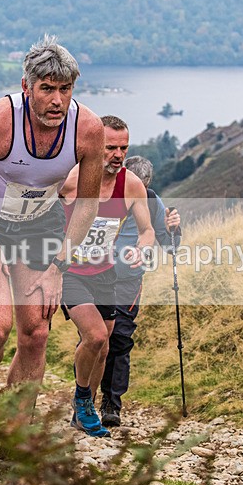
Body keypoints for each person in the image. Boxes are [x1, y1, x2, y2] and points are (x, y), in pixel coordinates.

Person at [0, 35, 103, 405]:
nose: (57, 100)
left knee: (36, 334)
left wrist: (59, 265)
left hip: (40, 226)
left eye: (66, 89)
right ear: (26, 87)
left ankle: (14, 430)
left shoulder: (87, 130)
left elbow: (88, 204)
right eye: (47, 89)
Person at [58, 115, 156, 437]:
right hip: (70, 271)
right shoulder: (73, 179)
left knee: (104, 345)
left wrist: (142, 248)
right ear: (94, 146)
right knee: (96, 336)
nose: (117, 154)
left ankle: (83, 405)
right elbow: (41, 214)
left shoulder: (131, 184)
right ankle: (84, 402)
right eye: (110, 147)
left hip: (105, 273)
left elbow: (147, 230)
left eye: (123, 148)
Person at [99, 148, 181, 427]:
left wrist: (173, 230)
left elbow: (168, 245)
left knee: (119, 339)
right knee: (95, 338)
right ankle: (83, 398)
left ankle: (112, 403)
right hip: (94, 276)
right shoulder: (103, 193)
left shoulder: (153, 201)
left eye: (142, 188)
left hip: (128, 280)